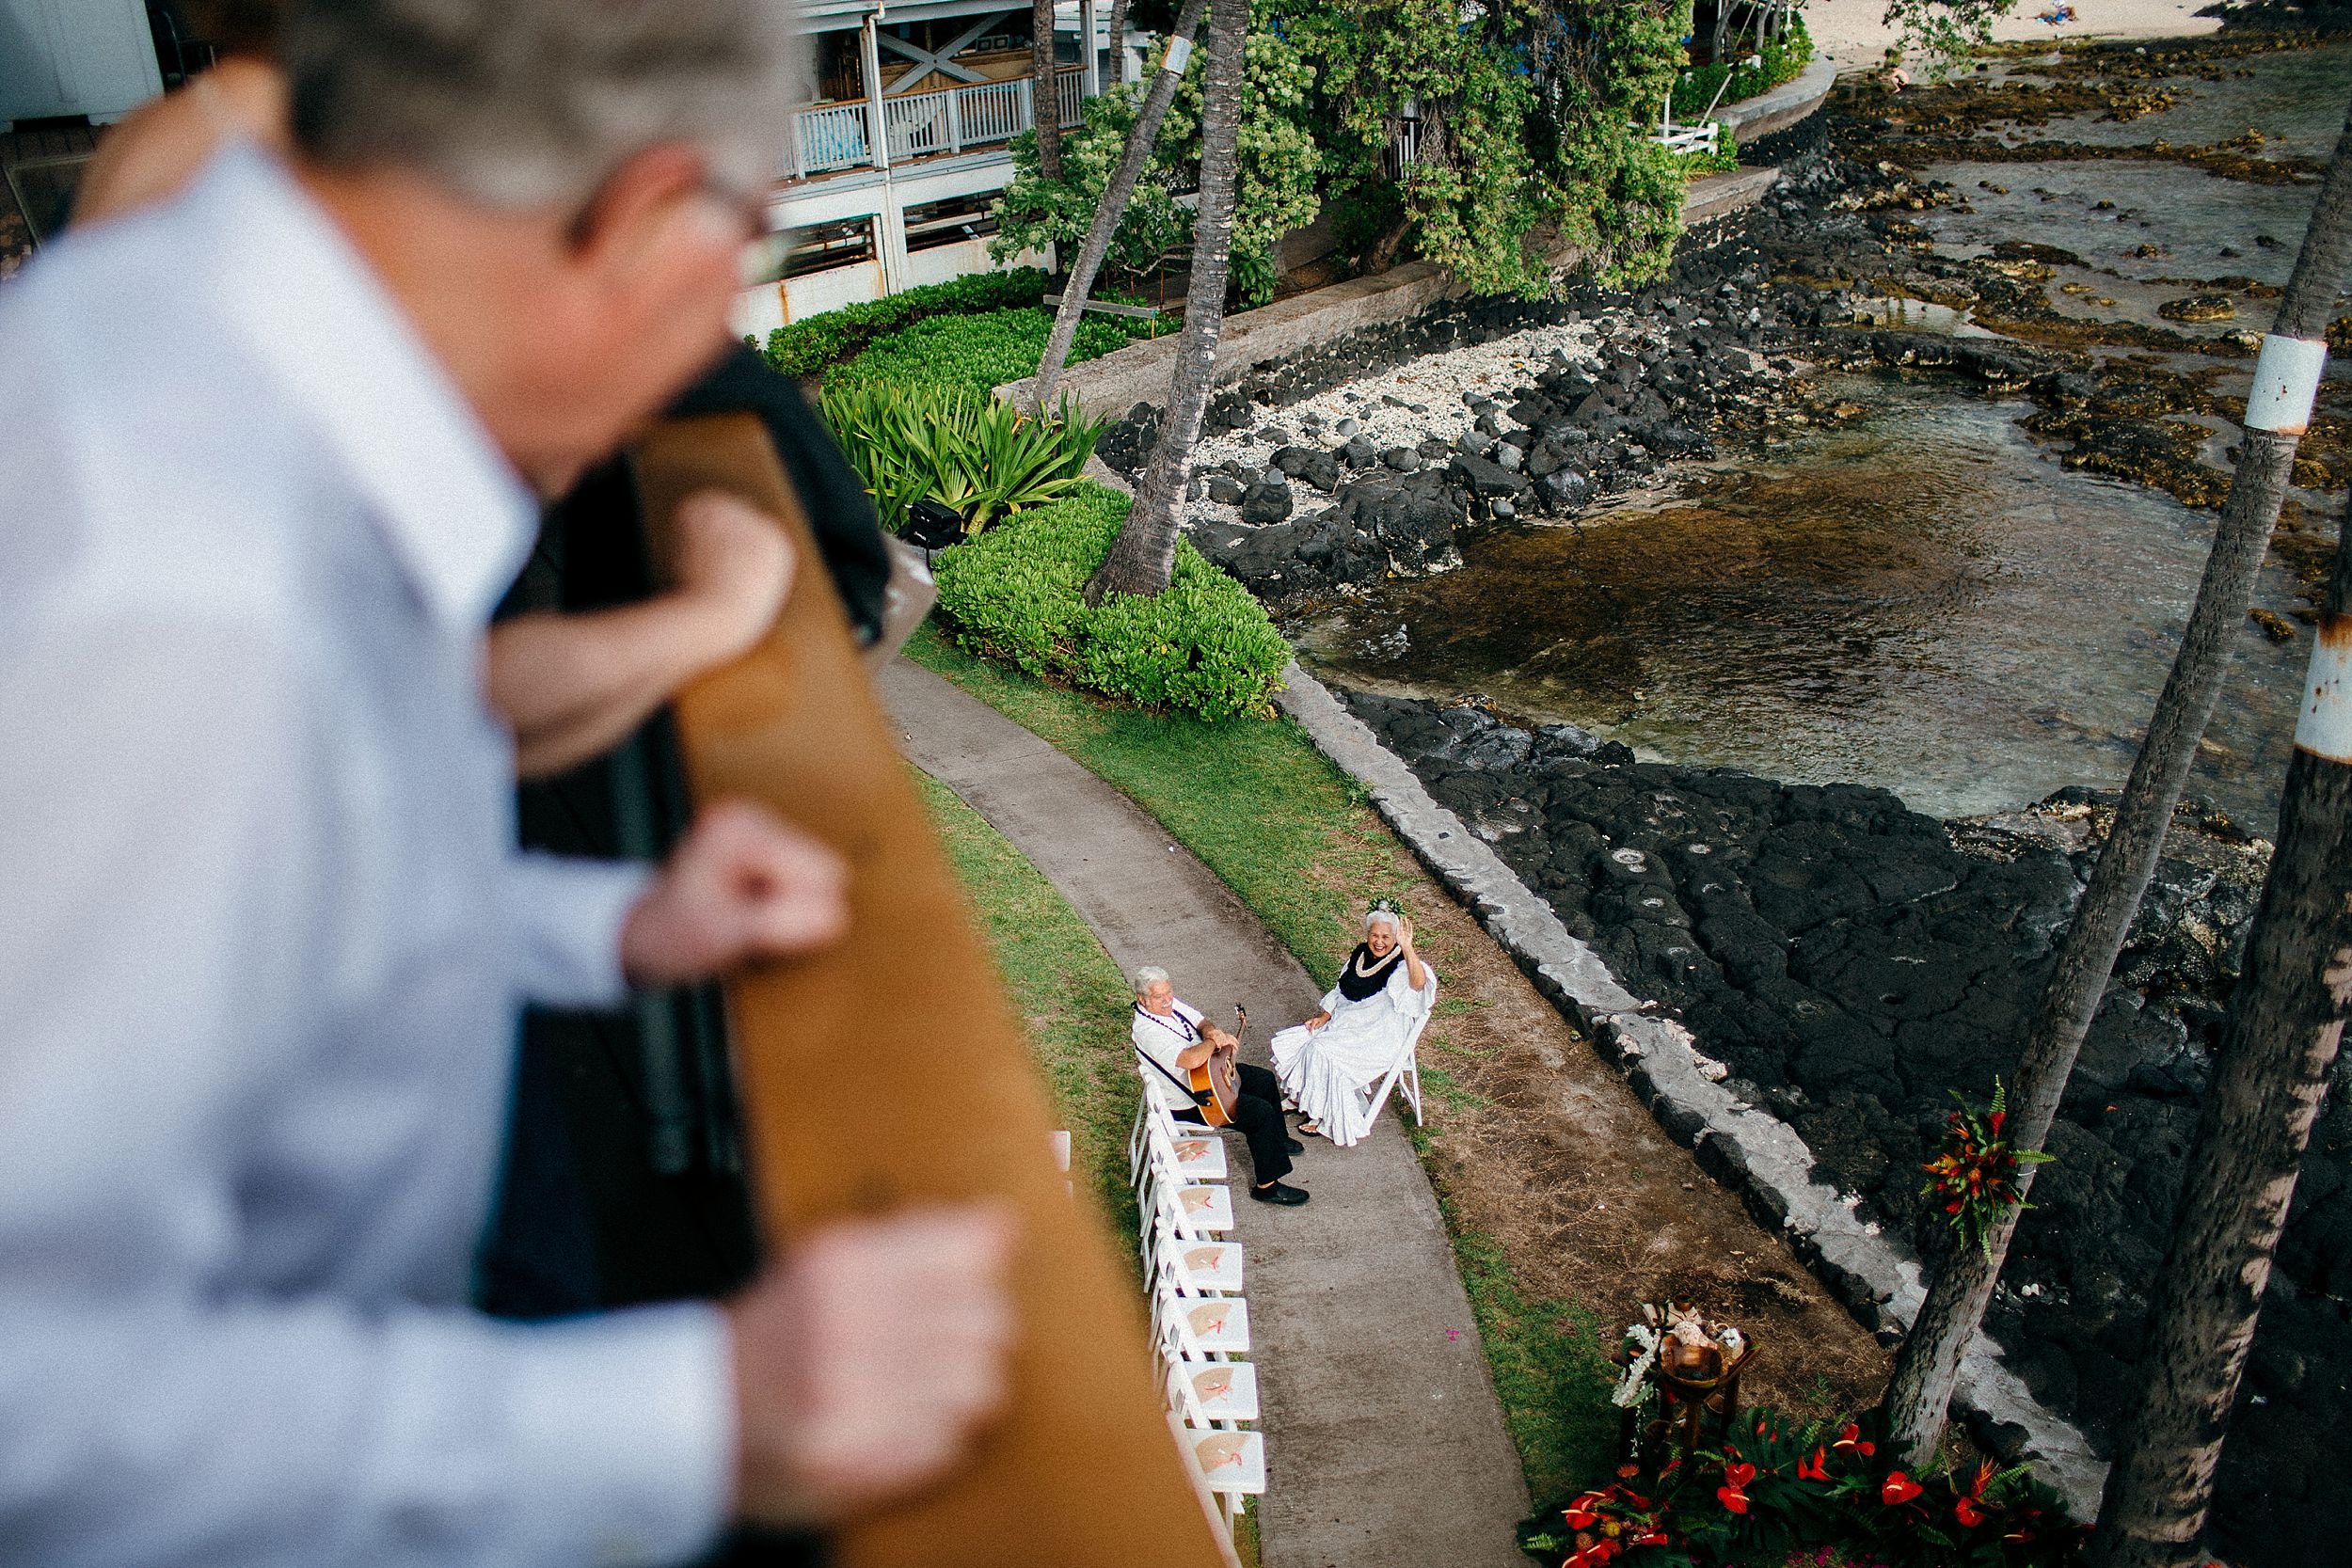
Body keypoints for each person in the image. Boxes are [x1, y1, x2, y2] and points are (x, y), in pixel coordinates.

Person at [0, 2, 1018, 1564]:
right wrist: (706, 1406)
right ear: (645, 216)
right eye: (740, 248)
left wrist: (604, 926)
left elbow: (293, 878)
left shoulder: (186, 325)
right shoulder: (186, 624)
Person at [1131, 967, 1310, 1207]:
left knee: (1264, 1080)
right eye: (1159, 997)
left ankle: (1277, 1139)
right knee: (1260, 1113)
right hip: (1194, 1100)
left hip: (1209, 1074)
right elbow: (1190, 1059)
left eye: (1169, 992)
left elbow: (1201, 1021)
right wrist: (1214, 1041)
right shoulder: (1146, 1030)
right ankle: (1267, 1187)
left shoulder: (1169, 1006)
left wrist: (1213, 1032)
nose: (1167, 1000)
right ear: (1142, 1000)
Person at [1270, 903, 1438, 1148]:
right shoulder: (1361, 955)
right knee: (1305, 1037)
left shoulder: (1402, 965)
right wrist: (1324, 1017)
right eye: (1375, 935)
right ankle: (1304, 1098)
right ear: (1367, 934)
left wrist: (1407, 947)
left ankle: (1324, 1114)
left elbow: (1418, 985)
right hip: (1348, 1025)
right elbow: (1341, 991)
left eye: (1386, 937)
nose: (1379, 942)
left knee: (1322, 1051)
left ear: (1395, 939)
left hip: (1377, 1035)